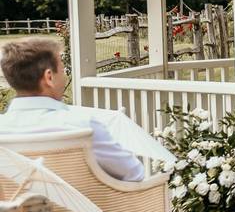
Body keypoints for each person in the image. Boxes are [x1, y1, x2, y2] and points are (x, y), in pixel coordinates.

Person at [0, 38, 144, 182]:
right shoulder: (83, 127)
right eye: (62, 70)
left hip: (18, 203)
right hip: (87, 204)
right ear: (49, 77)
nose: (64, 76)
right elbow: (134, 173)